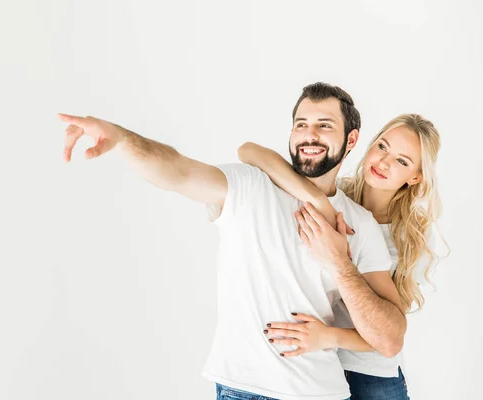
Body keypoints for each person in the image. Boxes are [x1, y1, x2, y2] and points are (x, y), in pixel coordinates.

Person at [58, 82, 406, 400]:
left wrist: (338, 263)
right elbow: (178, 170)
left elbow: (389, 338)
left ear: (351, 139)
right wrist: (121, 138)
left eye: (324, 125)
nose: (309, 135)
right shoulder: (251, 186)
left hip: (326, 393)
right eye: (301, 123)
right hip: (248, 390)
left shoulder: (358, 224)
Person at [238, 113, 443, 399]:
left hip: (372, 375)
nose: (384, 162)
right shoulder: (332, 196)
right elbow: (248, 151)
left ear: (416, 177)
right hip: (316, 366)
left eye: (402, 161)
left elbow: (389, 331)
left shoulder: (412, 239)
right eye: (382, 146)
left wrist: (327, 336)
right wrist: (319, 201)